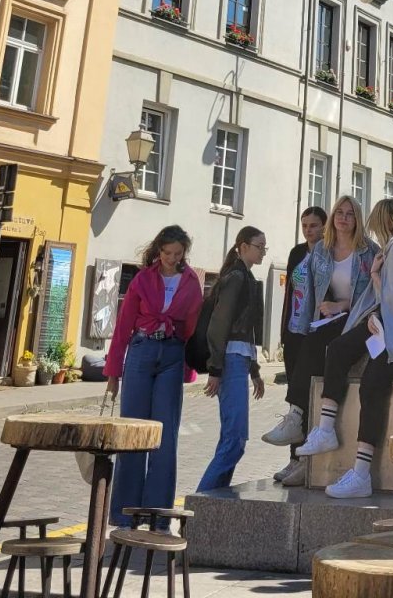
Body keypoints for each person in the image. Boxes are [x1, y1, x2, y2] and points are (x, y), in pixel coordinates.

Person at [295, 197, 393, 498]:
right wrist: (376, 277)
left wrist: (380, 317)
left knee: (371, 386)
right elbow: (390, 296)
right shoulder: (392, 250)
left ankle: (361, 472)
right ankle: (327, 429)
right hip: (384, 327)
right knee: (339, 350)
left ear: (379, 220)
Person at [263, 194, 378, 483]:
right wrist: (302, 327)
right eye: (339, 212)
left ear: (358, 219)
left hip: (356, 319)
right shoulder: (321, 252)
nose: (343, 218)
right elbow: (309, 295)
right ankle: (297, 422)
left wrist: (342, 306)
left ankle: (301, 436)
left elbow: (373, 296)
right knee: (309, 347)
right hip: (327, 320)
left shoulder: (369, 252)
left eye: (349, 214)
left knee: (322, 347)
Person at [105, 225, 204, 525]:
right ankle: (125, 514)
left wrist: (190, 368)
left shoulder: (192, 282)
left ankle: (158, 516)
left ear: (184, 253)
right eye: (167, 253)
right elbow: (123, 326)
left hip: (172, 355)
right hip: (141, 351)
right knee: (132, 432)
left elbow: (193, 329)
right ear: (158, 251)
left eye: (177, 253)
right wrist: (113, 372)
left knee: (164, 436)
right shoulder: (142, 279)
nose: (172, 258)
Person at [195, 226, 268, 492]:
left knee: (233, 440)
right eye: (259, 247)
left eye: (265, 248)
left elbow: (247, 331)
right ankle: (203, 499)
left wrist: (255, 370)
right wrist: (215, 369)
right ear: (243, 246)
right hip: (230, 361)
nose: (263, 252)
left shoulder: (246, 276)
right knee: (234, 440)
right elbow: (220, 324)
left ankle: (212, 499)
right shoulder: (237, 277)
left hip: (239, 360)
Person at [275, 206, 327, 483]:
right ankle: (293, 459)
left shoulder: (328, 253)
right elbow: (289, 293)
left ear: (324, 227)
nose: (308, 230)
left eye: (314, 225)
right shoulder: (297, 253)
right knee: (294, 397)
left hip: (315, 332)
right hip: (294, 331)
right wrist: (283, 332)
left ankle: (306, 460)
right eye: (305, 225)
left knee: (307, 396)